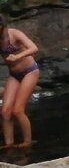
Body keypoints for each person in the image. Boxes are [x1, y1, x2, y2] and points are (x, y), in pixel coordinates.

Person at [1, 16, 40, 148]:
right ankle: (9, 144)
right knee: (5, 111)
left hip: (30, 71)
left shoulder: (15, 34)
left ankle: (27, 142)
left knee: (18, 110)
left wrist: (17, 56)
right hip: (14, 75)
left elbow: (34, 48)